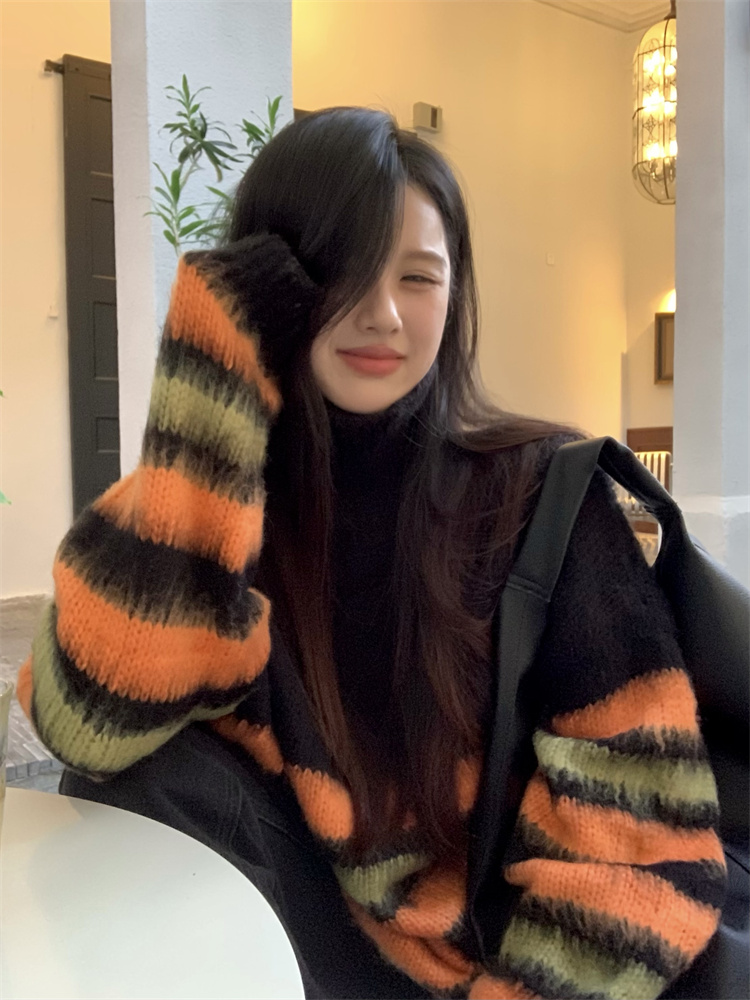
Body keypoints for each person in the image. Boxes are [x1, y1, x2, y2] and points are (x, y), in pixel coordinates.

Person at [19, 107, 726, 1000]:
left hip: (487, 969)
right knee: (148, 777)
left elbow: (643, 837)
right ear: (269, 289)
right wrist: (207, 391)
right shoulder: (213, 504)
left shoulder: (541, 495)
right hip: (283, 945)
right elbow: (85, 727)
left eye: (419, 277)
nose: (381, 314)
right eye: (343, 273)